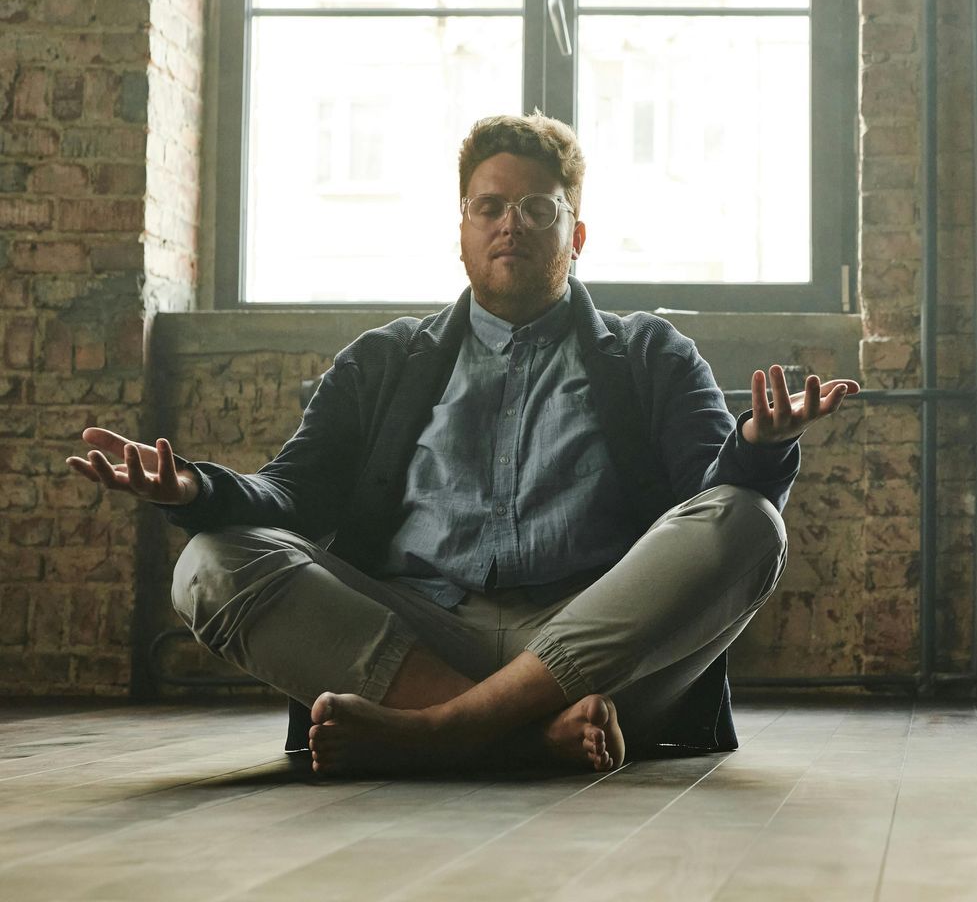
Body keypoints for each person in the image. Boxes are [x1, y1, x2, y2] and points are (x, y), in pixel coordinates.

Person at [67, 114, 858, 777]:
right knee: (209, 562)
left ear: (575, 233)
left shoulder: (650, 352)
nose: (511, 223)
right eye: (489, 207)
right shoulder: (384, 359)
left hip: (588, 642)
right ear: (461, 231)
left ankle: (439, 733)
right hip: (412, 637)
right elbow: (292, 495)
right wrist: (196, 493)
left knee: (751, 521)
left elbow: (707, 497)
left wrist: (759, 444)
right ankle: (524, 735)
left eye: (537, 210)